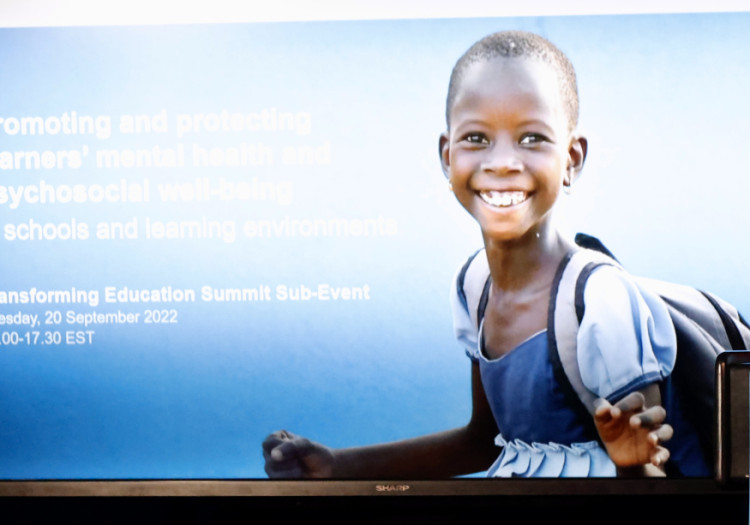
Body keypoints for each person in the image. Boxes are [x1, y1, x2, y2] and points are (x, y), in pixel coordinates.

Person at [262, 30, 695, 478]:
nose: (503, 161)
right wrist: (336, 465)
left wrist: (633, 462)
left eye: (531, 139)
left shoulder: (601, 303)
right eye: (476, 139)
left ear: (572, 158)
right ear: (447, 157)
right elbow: (486, 443)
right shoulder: (475, 285)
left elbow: (655, 480)